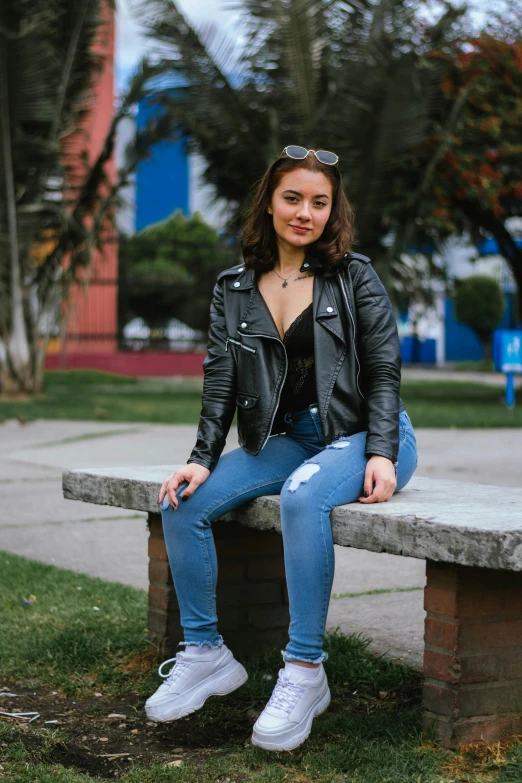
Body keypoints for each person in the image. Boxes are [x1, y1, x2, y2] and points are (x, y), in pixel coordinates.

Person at [145, 145, 418, 752]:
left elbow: (383, 368)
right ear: (269, 202)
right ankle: (206, 653)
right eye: (293, 198)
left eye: (319, 202)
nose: (305, 213)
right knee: (182, 501)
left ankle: (304, 670)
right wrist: (201, 456)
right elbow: (222, 380)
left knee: (300, 500)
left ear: (332, 210)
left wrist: (381, 451)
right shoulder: (234, 288)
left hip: (367, 435)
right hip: (293, 438)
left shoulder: (355, 276)